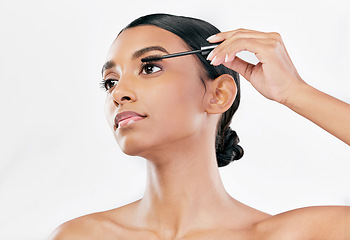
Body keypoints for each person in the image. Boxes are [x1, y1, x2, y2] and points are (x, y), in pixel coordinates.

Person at [49, 13, 350, 239]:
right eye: (110, 81)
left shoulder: (297, 235)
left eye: (150, 67)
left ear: (219, 95)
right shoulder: (81, 236)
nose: (118, 93)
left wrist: (295, 93)